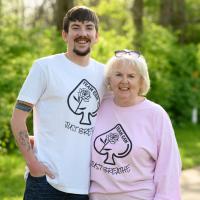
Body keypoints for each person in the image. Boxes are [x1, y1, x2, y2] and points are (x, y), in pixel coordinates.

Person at [11, 6, 105, 200]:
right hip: (46, 181)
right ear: (65, 34)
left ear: (96, 36)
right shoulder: (45, 67)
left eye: (88, 28)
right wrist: (33, 164)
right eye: (76, 27)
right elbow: (18, 118)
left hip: (86, 185)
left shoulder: (105, 75)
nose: (82, 33)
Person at [89, 49, 182, 200]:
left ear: (141, 81)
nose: (124, 81)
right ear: (109, 80)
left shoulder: (155, 114)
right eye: (118, 74)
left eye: (131, 76)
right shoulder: (98, 106)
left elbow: (169, 167)